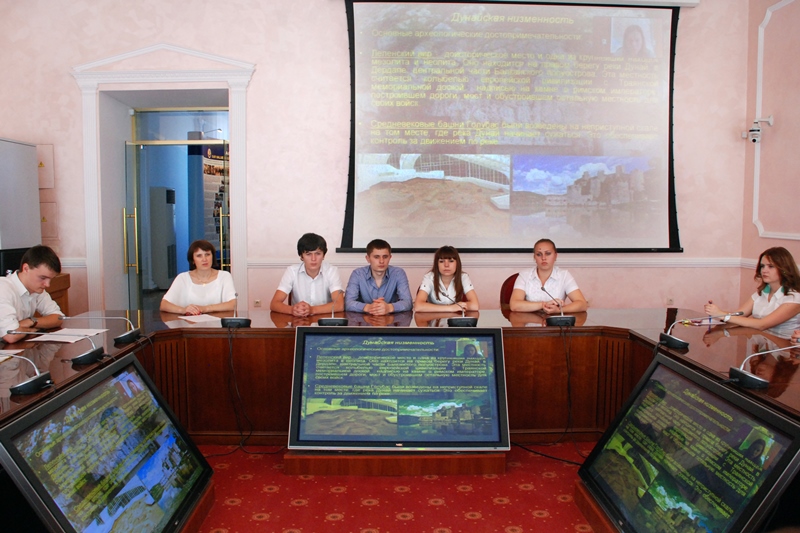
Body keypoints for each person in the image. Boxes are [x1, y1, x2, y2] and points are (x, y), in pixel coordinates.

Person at [704, 247, 800, 339]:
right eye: (762, 266)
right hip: (762, 343)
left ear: (784, 269)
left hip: (785, 346)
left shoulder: (794, 298)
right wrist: (716, 313)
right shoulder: (761, 292)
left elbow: (762, 324)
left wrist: (721, 314)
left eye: (770, 266)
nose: (764, 270)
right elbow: (740, 315)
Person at [0, 245, 64, 344]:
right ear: (26, 268)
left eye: (51, 279)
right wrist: (34, 329)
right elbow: (11, 335)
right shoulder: (3, 288)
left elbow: (58, 318)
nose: (47, 284)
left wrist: (31, 321)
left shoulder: (36, 288)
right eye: (43, 278)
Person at [270, 233, 344, 317]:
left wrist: (311, 310)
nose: (313, 259)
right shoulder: (292, 271)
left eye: (318, 253)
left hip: (324, 320)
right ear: (301, 256)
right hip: (299, 320)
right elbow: (274, 303)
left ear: (323, 255)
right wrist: (292, 310)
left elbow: (339, 305)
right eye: (308, 254)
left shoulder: (331, 271)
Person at [509, 239, 588, 314]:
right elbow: (514, 305)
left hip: (555, 322)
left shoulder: (564, 275)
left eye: (548, 253)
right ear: (534, 257)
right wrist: (544, 304)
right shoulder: (524, 275)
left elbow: (582, 304)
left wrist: (559, 310)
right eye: (539, 254)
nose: (543, 258)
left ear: (555, 256)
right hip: (529, 321)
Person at [160, 240, 236, 315]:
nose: (204, 259)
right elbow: (164, 305)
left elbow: (233, 304)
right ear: (193, 260)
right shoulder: (182, 278)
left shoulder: (224, 276)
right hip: (189, 322)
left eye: (207, 254)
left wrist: (205, 308)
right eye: (199, 256)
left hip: (217, 322)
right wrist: (184, 310)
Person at [345, 239, 412, 315]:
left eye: (385, 257)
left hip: (391, 320)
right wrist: (368, 307)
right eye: (376, 257)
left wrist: (389, 307)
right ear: (368, 258)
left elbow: (408, 302)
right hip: (364, 320)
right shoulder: (358, 274)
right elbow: (348, 303)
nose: (381, 261)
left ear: (390, 257)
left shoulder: (398, 273)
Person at [414, 245, 479, 313]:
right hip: (434, 318)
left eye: (451, 261)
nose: (446, 265)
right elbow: (418, 306)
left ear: (457, 263)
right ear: (437, 264)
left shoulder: (463, 277)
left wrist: (454, 308)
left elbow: (475, 306)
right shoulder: (429, 277)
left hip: (456, 318)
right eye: (441, 261)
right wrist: (451, 308)